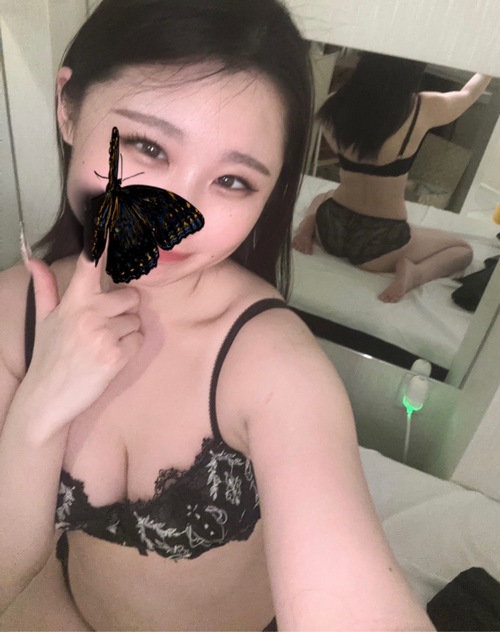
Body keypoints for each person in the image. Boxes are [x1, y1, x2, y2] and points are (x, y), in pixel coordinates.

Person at [0, 2, 435, 630]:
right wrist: (39, 409)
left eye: (233, 181)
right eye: (149, 146)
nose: (179, 213)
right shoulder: (14, 313)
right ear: (68, 106)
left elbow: (347, 597)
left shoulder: (273, 364)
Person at [292, 52, 492, 303]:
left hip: (330, 227)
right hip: (382, 239)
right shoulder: (422, 108)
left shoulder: (335, 104)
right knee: (462, 251)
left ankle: (307, 226)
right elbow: (468, 95)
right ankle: (415, 274)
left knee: (326, 195)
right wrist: (490, 63)